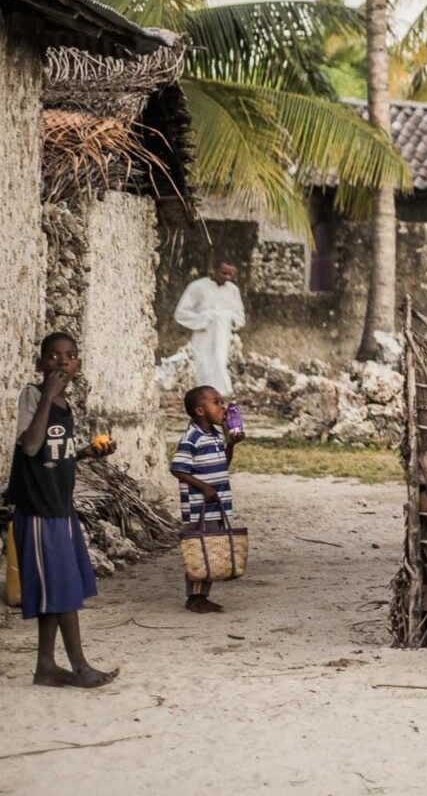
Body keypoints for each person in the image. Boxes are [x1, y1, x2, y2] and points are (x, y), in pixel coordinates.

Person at [10, 331, 117, 687]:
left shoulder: (65, 405)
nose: (62, 362)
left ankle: (46, 667)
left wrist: (87, 453)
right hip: (40, 510)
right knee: (64, 590)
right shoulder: (33, 397)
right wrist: (48, 398)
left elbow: (54, 451)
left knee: (59, 589)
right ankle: (80, 666)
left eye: (70, 356)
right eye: (54, 357)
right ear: (41, 363)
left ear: (78, 364)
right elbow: (30, 447)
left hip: (59, 507)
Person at [172, 384, 244, 613]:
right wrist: (204, 487)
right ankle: (194, 597)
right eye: (216, 402)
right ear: (200, 411)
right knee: (198, 550)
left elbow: (224, 462)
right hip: (199, 506)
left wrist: (230, 443)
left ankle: (202, 595)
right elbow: (178, 469)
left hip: (215, 505)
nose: (222, 407)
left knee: (209, 549)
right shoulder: (192, 436)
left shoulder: (213, 434)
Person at [174, 260, 245, 396]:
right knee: (203, 365)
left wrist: (228, 318)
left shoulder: (233, 290)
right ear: (214, 269)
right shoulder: (198, 287)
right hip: (203, 335)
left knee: (219, 362)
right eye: (224, 273)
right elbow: (180, 313)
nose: (227, 277)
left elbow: (240, 316)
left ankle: (221, 393)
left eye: (231, 274)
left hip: (223, 335)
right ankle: (203, 395)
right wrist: (205, 318)